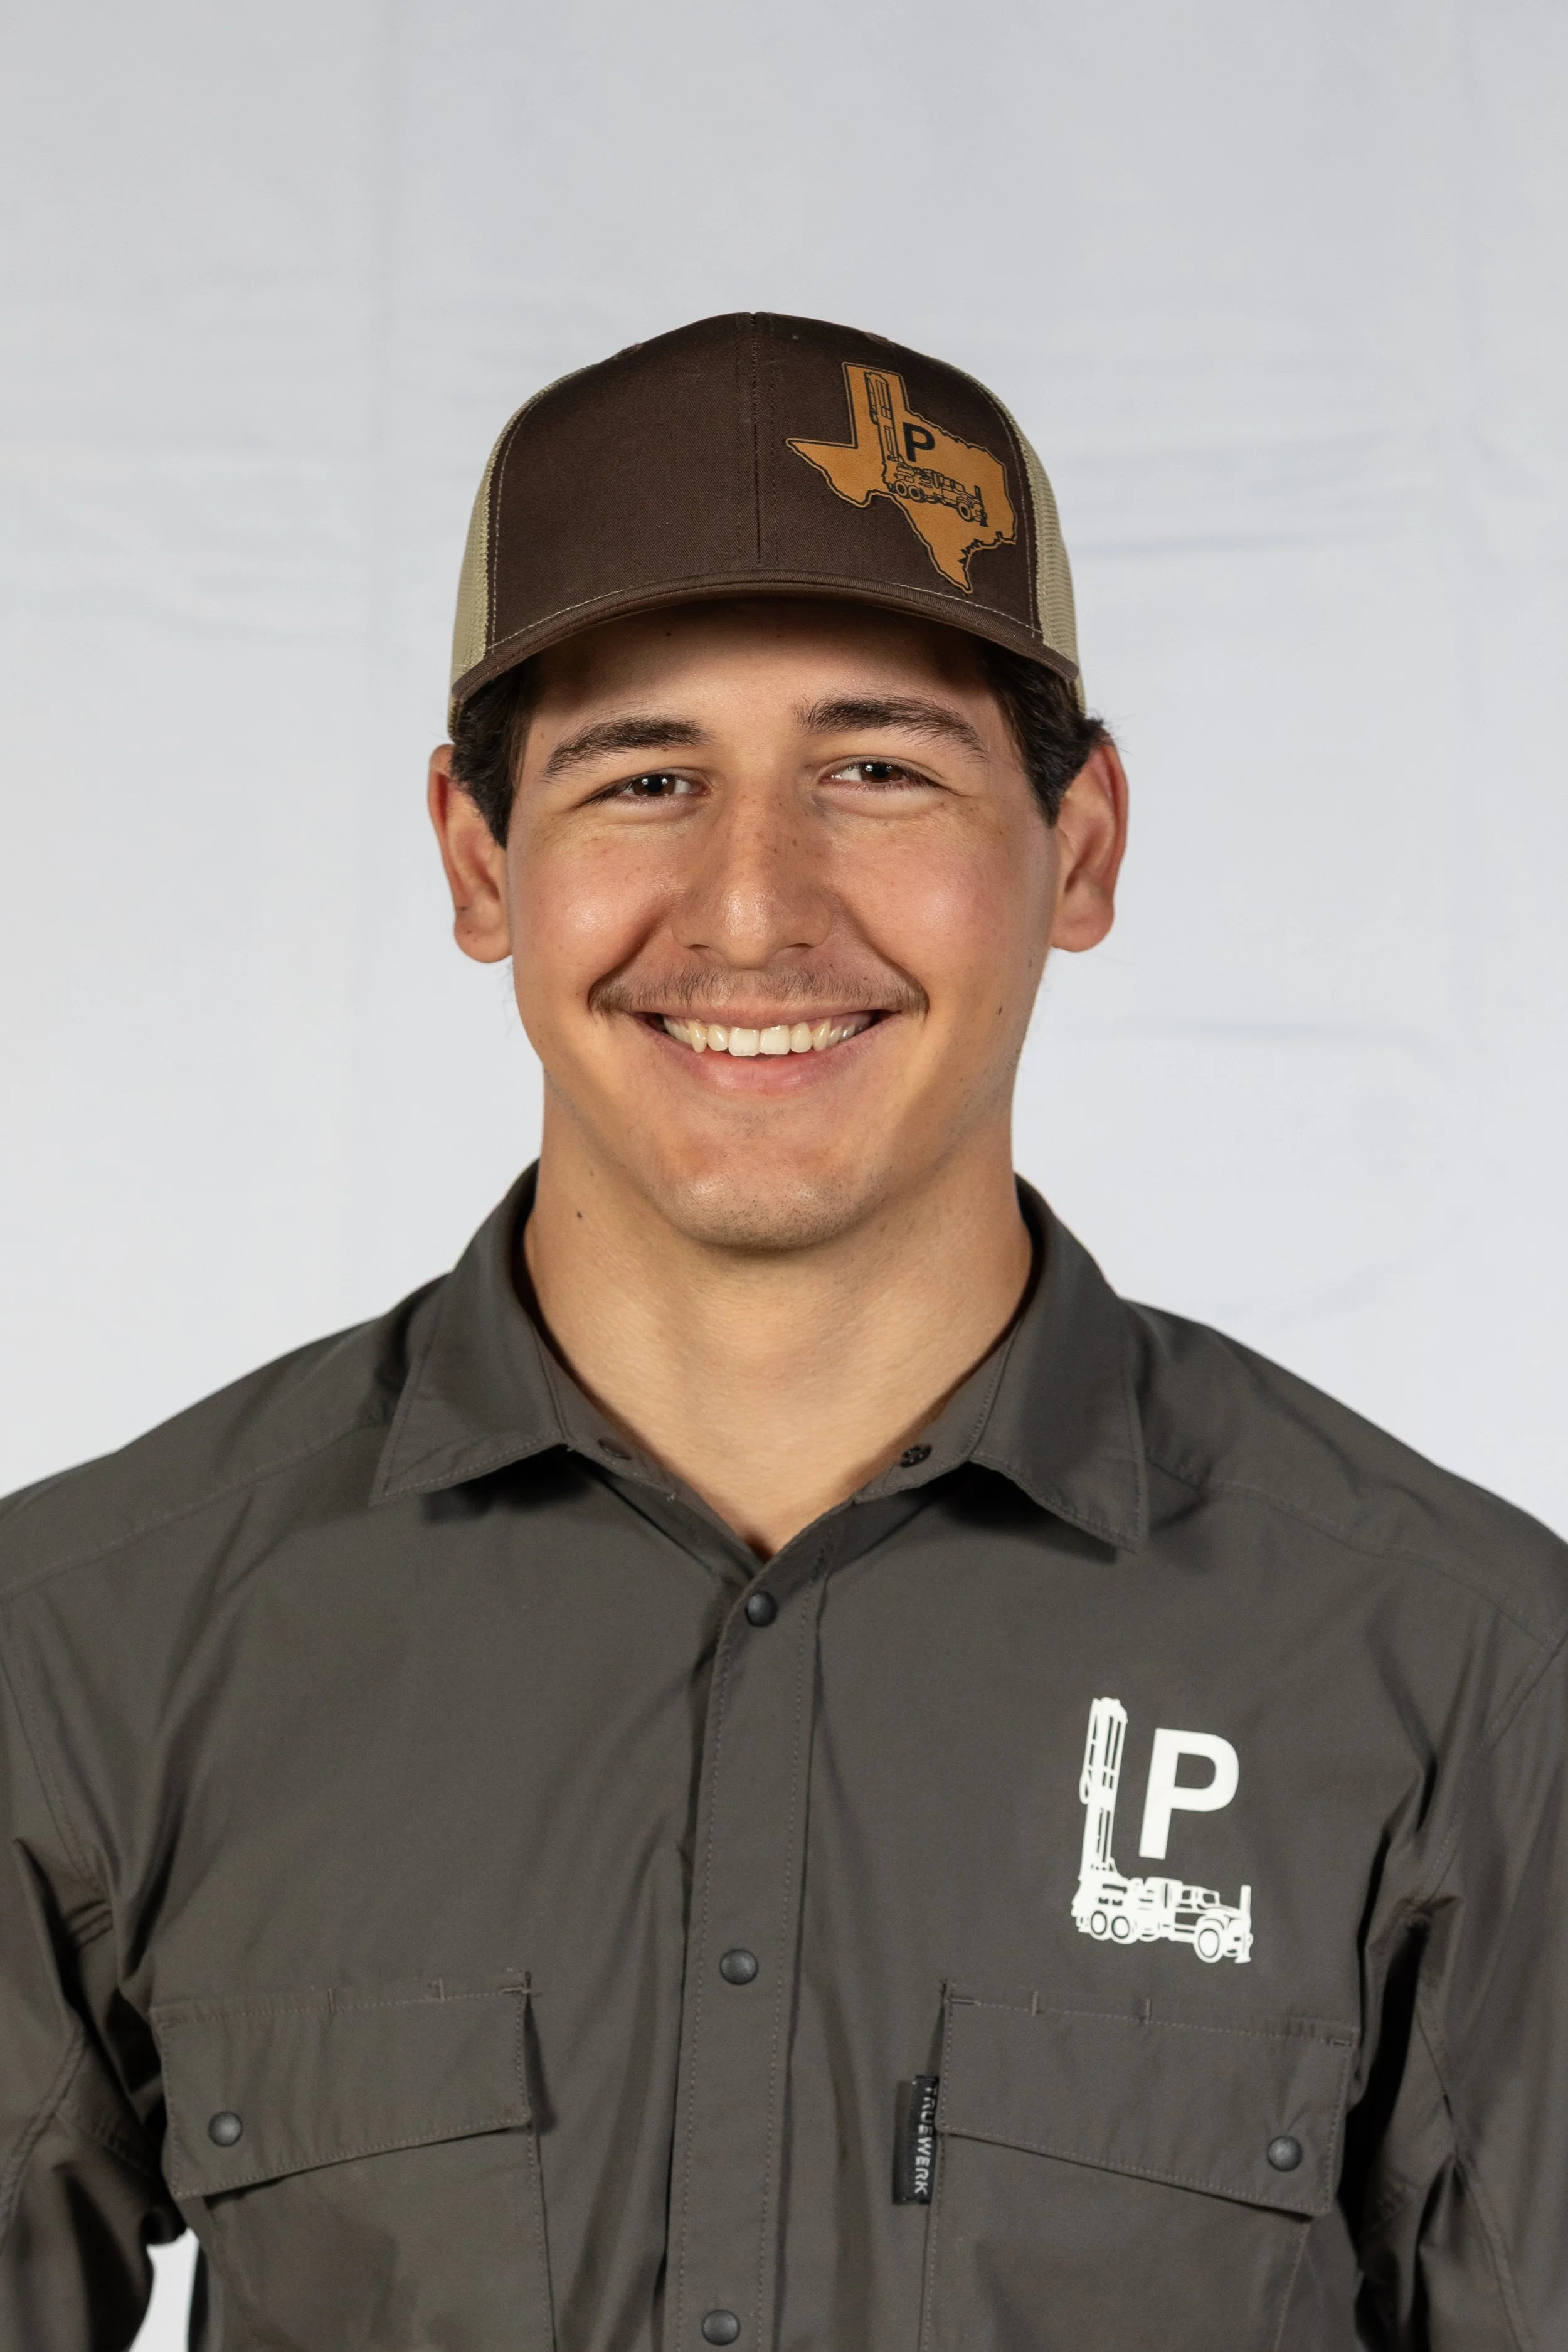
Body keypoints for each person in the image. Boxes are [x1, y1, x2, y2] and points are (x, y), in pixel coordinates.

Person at [1, 312, 1563, 2352]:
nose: (752, 909)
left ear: (1074, 847)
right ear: (483, 863)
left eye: (876, 770)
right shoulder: (87, 1649)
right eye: (644, 776)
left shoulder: (1465, 1671)